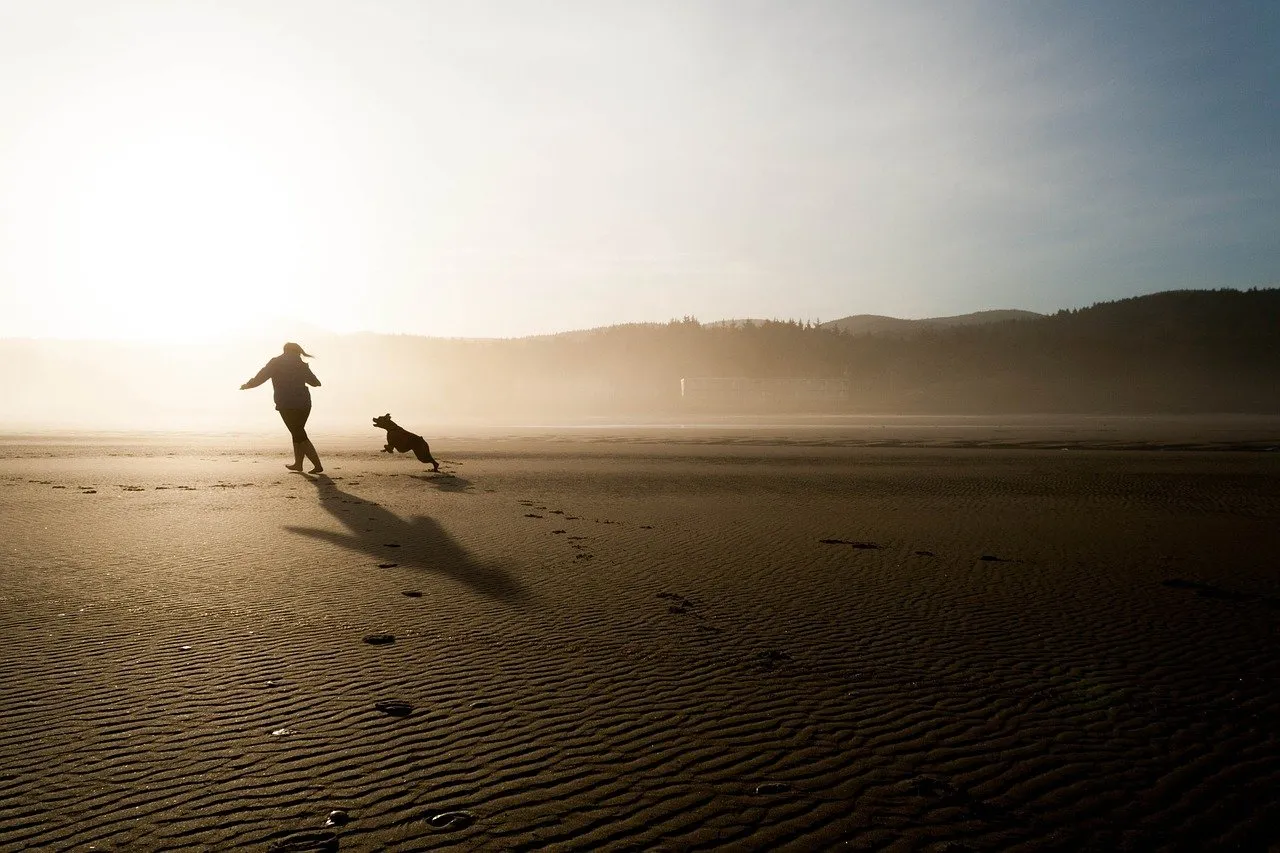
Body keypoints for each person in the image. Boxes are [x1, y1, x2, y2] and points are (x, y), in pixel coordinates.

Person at [240, 342, 324, 474]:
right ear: (296, 352)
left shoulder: (276, 362)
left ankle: (317, 465)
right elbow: (315, 383)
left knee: (298, 433)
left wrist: (248, 385)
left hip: (286, 403)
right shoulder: (300, 364)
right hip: (304, 403)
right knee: (297, 432)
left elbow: (261, 377)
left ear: (284, 350)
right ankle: (298, 464)